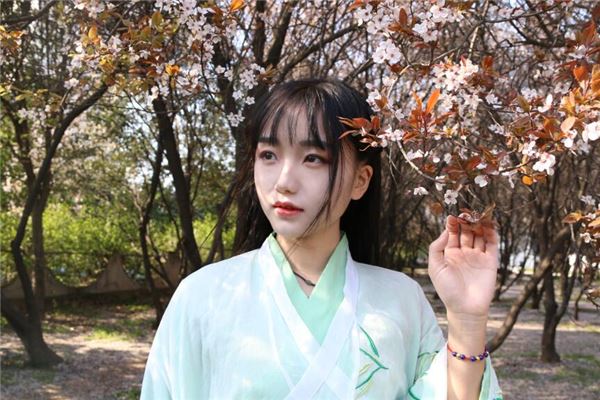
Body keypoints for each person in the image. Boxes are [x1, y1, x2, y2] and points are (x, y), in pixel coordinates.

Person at [140, 78, 503, 399]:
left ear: (360, 180)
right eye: (268, 155)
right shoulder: (203, 295)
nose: (284, 181)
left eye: (313, 158)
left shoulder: (401, 299)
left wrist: (467, 318)